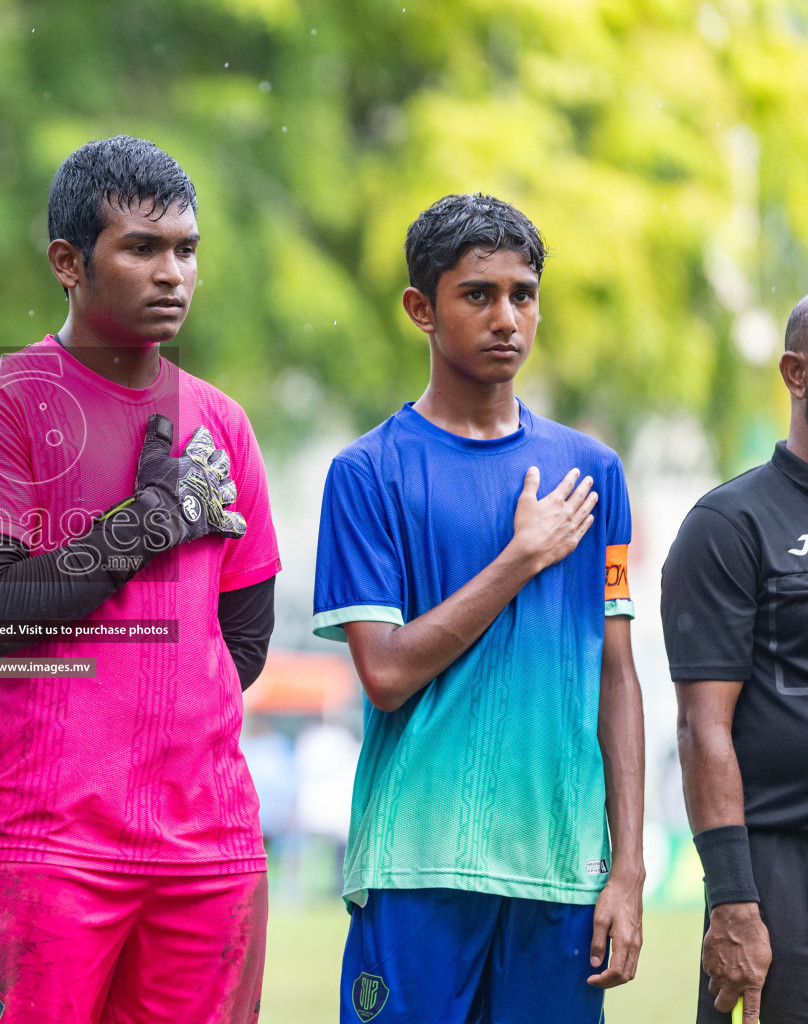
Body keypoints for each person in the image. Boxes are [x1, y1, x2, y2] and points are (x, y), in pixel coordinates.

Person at [0, 135, 281, 1024]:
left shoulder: (222, 425)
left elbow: (241, 642)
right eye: (142, 248)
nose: (173, 274)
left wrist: (154, 738)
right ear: (68, 262)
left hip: (207, 851)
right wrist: (146, 523)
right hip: (39, 844)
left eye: (186, 250)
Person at [312, 193, 645, 1023]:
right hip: (416, 868)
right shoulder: (368, 473)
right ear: (420, 309)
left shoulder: (592, 473)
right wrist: (521, 557)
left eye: (523, 295)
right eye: (478, 294)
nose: (508, 317)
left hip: (559, 871)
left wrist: (628, 868)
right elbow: (384, 672)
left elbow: (616, 674)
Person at [662, 296, 808, 1023]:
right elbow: (701, 729)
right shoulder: (731, 525)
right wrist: (734, 903)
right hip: (781, 872)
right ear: (797, 373)